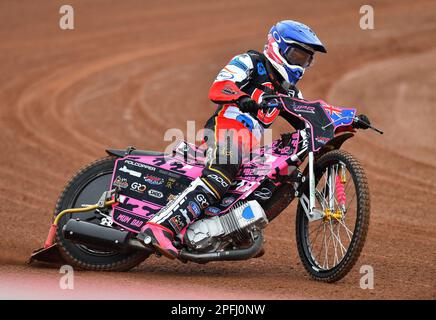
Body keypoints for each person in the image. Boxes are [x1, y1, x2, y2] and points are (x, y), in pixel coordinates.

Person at [138, 20, 327, 259]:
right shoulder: (251, 62)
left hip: (249, 148)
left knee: (281, 177)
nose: (300, 64)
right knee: (222, 173)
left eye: (306, 59)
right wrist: (240, 97)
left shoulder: (290, 92)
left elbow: (308, 120)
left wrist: (345, 122)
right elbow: (218, 87)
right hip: (224, 133)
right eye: (297, 55)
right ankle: (160, 227)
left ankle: (231, 228)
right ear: (277, 46)